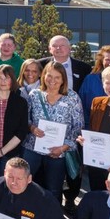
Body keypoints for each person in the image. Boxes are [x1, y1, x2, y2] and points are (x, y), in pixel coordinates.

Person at [23, 61, 84, 202]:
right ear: (43, 76)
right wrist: (31, 128)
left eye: (57, 77)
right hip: (33, 148)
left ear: (63, 79)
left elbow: (78, 126)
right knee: (27, 183)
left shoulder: (72, 97)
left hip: (59, 153)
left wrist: (64, 147)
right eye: (49, 76)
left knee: (54, 189)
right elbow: (25, 119)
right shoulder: (34, 95)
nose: (53, 81)